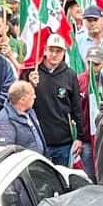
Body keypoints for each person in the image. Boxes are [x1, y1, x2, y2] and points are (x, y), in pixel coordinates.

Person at [30, 37, 83, 166]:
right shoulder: (32, 72)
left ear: (64, 52)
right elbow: (21, 101)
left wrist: (80, 137)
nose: (54, 54)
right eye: (51, 50)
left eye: (58, 51)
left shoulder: (70, 75)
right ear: (44, 50)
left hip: (62, 141)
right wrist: (30, 85)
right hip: (37, 139)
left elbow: (77, 108)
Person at [0, 79, 47, 153]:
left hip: (35, 162)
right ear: (22, 100)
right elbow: (6, 152)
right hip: (24, 163)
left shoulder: (30, 111)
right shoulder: (4, 122)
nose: (35, 97)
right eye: (32, 94)